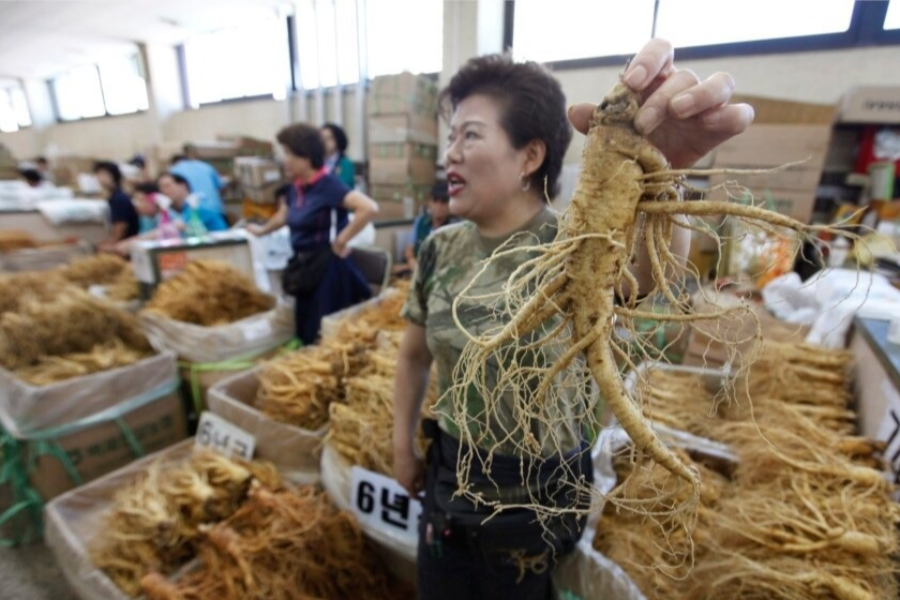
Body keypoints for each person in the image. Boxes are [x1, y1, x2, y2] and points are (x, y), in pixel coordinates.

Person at [393, 38, 753, 600]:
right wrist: (402, 446)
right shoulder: (440, 248)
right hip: (451, 473)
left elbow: (647, 277)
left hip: (541, 493)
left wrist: (663, 176)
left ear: (530, 156)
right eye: (450, 138)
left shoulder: (579, 244)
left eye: (470, 136)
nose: (450, 155)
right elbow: (414, 356)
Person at [246, 123, 379, 344]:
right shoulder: (296, 188)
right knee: (305, 332)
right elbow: (283, 217)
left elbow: (369, 208)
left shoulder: (328, 185)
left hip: (327, 270)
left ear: (306, 157)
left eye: (289, 153)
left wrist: (342, 240)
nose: (285, 160)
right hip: (304, 268)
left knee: (324, 335)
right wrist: (260, 231)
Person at [395, 182, 455, 275]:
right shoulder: (420, 222)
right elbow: (409, 248)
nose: (438, 206)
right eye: (435, 201)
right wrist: (411, 260)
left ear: (450, 205)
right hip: (416, 268)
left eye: (443, 202)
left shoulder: (453, 227)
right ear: (430, 203)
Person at [157, 172, 229, 233]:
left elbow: (181, 226)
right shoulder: (174, 211)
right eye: (161, 188)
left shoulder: (198, 206)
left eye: (167, 186)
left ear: (183, 186)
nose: (163, 191)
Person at [94, 161, 139, 252]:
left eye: (102, 174)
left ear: (112, 175)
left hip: (126, 242)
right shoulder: (114, 196)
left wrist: (111, 243)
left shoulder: (119, 198)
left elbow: (121, 225)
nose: (98, 178)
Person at [170, 149, 226, 217]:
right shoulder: (206, 166)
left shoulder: (173, 170)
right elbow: (221, 188)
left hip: (191, 212)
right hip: (215, 209)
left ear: (173, 163)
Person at [321, 123, 355, 189]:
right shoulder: (316, 162)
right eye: (322, 138)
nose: (324, 142)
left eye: (329, 138)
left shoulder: (345, 163)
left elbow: (344, 186)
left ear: (338, 140)